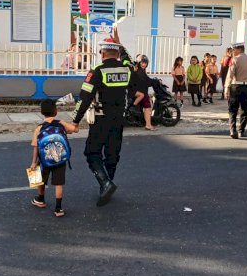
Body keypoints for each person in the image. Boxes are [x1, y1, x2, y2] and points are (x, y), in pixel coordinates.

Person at [70, 34, 131, 207]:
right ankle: (107, 185)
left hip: (101, 119)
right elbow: (129, 60)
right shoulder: (127, 69)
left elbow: (84, 98)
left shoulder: (96, 70)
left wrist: (75, 121)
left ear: (101, 53)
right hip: (119, 118)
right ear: (118, 53)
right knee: (112, 154)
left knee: (91, 152)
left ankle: (105, 183)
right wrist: (120, 42)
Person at [29, 99, 77, 217]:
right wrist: (76, 122)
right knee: (58, 183)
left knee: (38, 179)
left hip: (44, 160)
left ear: (42, 112)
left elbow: (35, 147)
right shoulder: (61, 123)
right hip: (60, 159)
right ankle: (58, 208)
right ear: (56, 111)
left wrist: (33, 163)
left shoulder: (39, 128)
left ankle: (40, 199)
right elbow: (75, 129)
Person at [225, 42, 247, 139]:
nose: (233, 51)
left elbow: (230, 75)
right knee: (244, 110)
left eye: (234, 49)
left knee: (232, 109)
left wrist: (226, 88)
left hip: (235, 87)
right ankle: (241, 130)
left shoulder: (235, 59)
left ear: (240, 49)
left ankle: (233, 130)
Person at [130, 55, 156, 131]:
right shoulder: (140, 71)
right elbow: (146, 81)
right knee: (147, 107)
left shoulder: (139, 70)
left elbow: (146, 80)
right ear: (139, 63)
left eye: (145, 63)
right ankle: (148, 125)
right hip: (139, 91)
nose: (144, 64)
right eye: (142, 62)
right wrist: (155, 82)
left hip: (136, 90)